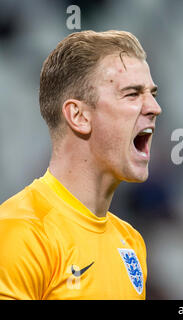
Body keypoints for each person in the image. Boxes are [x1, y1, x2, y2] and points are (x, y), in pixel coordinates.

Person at [0, 30, 161, 300]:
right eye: (132, 94)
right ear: (79, 116)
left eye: (152, 94)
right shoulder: (21, 233)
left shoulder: (130, 243)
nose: (155, 107)